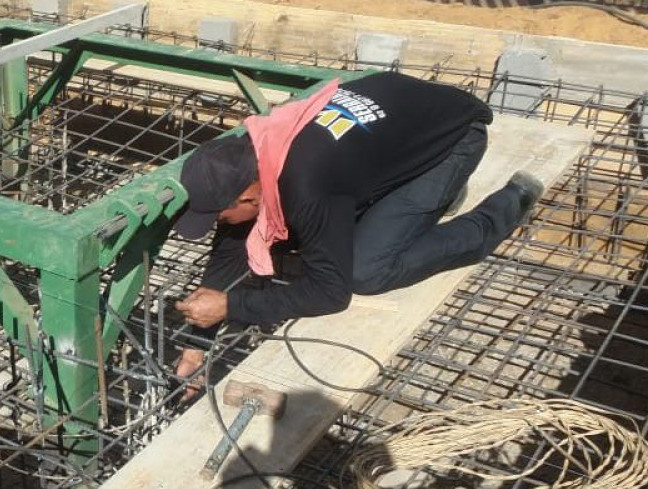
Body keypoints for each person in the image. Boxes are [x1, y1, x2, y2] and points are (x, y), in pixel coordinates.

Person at [171, 71, 544, 388]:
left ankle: (507, 205)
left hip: (455, 136)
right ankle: (426, 189)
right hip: (400, 123)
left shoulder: (304, 184)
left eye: (218, 216)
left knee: (366, 270)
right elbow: (231, 247)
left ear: (250, 197)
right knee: (288, 234)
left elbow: (331, 292)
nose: (216, 225)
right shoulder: (248, 155)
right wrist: (196, 342)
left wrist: (232, 306)